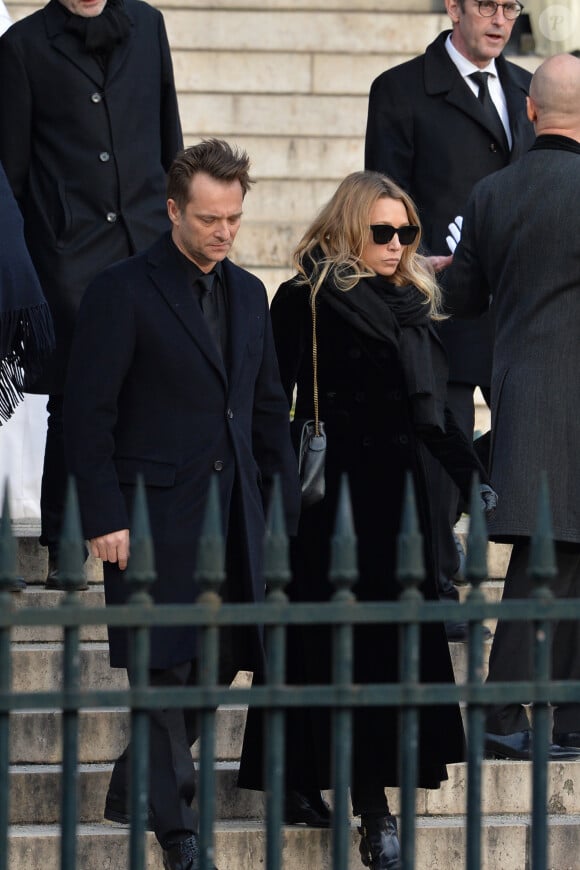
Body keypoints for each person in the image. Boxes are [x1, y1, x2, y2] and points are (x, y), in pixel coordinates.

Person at [238, 171, 497, 870]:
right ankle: (367, 811)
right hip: (329, 505)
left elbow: (433, 414)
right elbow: (271, 403)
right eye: (381, 231)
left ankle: (335, 792)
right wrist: (272, 496)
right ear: (350, 227)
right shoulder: (305, 300)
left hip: (401, 506)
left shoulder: (414, 304)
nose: (394, 244)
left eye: (405, 232)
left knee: (383, 656)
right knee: (324, 650)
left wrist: (475, 479)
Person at [63, 139, 301, 870]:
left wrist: (280, 510)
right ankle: (180, 836)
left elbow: (265, 414)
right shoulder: (121, 290)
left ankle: (134, 783)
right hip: (150, 519)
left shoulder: (248, 293)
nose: (224, 232)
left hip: (234, 517)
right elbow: (86, 415)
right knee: (162, 671)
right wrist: (103, 514)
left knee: (228, 657)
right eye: (208, 218)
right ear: (172, 211)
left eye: (233, 217)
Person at [364, 0, 535, 641]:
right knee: (440, 444)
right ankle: (439, 586)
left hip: (517, 310)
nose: (499, 19)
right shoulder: (402, 90)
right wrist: (413, 258)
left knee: (529, 442)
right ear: (455, 8)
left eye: (511, 7)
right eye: (486, 5)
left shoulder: (527, 89)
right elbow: (378, 197)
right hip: (435, 304)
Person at [0, 0, 182, 588]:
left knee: (152, 390)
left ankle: (145, 528)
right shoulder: (24, 45)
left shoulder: (149, 25)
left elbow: (168, 135)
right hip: (67, 257)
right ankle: (64, 539)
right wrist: (35, 257)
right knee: (77, 398)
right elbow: (14, 171)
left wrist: (174, 223)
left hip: (147, 240)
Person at [443, 53, 580, 762]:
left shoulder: (492, 192)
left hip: (526, 398)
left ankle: (551, 715)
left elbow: (461, 296)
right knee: (552, 564)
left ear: (531, 110)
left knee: (548, 558)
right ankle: (507, 713)